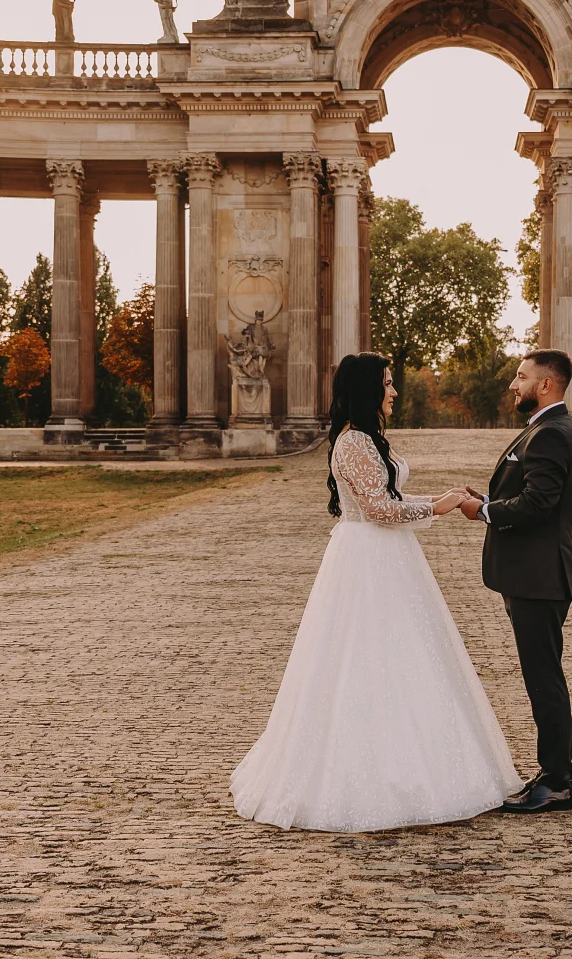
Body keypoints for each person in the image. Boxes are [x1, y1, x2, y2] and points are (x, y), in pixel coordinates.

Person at [232, 353, 518, 831]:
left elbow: (388, 502)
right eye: (387, 383)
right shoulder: (355, 442)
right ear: (368, 390)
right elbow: (380, 512)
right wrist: (439, 509)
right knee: (364, 658)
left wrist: (436, 500)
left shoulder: (369, 439)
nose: (394, 391)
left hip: (387, 556)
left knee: (405, 656)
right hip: (368, 559)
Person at [459, 349, 572, 813]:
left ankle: (557, 781)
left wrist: (484, 512)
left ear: (545, 385)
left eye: (520, 376)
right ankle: (554, 772)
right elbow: (529, 492)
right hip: (534, 576)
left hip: (540, 577)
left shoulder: (551, 433)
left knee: (544, 679)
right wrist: (490, 496)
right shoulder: (543, 428)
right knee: (541, 677)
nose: (513, 384)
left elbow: (539, 505)